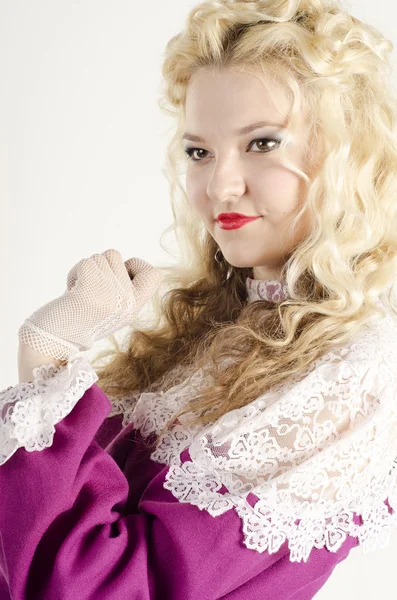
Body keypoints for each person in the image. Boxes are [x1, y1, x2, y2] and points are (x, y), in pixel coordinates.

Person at [2, 0, 397, 598]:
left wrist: (51, 359)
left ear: (348, 157)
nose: (219, 184)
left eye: (262, 143)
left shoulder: (349, 370)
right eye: (199, 151)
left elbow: (96, 587)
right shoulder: (223, 324)